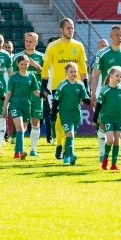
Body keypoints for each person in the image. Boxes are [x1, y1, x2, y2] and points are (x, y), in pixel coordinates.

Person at [41, 18, 89, 160]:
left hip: (76, 88)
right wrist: (44, 84)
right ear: (61, 29)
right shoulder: (53, 46)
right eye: (68, 28)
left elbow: (83, 67)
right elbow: (45, 66)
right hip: (57, 86)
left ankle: (62, 146)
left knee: (71, 119)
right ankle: (60, 146)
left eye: (72, 27)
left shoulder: (78, 46)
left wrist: (85, 86)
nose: (71, 30)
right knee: (61, 118)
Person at [90, 26, 121, 165]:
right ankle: (102, 154)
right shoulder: (102, 54)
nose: (119, 37)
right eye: (116, 35)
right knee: (103, 124)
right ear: (110, 35)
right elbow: (96, 75)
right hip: (108, 96)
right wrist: (93, 94)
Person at [1, 54, 41, 159]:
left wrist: (43, 94)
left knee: (22, 130)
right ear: (17, 64)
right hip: (15, 105)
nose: (24, 66)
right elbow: (8, 93)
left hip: (26, 106)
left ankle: (16, 152)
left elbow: (36, 91)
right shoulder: (13, 78)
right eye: (22, 64)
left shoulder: (31, 77)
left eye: (26, 64)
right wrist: (4, 108)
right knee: (19, 128)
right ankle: (22, 151)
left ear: (29, 64)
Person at [12, 32, 45, 157]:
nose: (28, 43)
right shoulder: (17, 57)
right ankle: (19, 150)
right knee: (23, 124)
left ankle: (33, 150)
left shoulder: (42, 57)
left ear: (36, 42)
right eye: (26, 41)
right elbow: (13, 76)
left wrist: (36, 65)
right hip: (22, 96)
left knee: (35, 121)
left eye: (31, 41)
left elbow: (45, 74)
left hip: (36, 95)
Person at [94, 66, 121, 171]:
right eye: (117, 75)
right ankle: (105, 159)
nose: (119, 78)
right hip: (107, 118)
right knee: (110, 140)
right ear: (110, 75)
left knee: (117, 141)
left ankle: (114, 164)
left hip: (118, 118)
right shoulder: (105, 90)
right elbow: (99, 105)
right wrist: (94, 119)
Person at [53, 62, 90, 165]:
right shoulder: (62, 85)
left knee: (71, 136)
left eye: (75, 72)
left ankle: (67, 157)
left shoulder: (80, 85)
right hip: (65, 114)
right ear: (66, 72)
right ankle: (72, 155)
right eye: (71, 71)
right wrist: (53, 114)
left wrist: (92, 101)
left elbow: (85, 98)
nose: (73, 73)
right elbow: (56, 101)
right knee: (69, 133)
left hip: (76, 115)